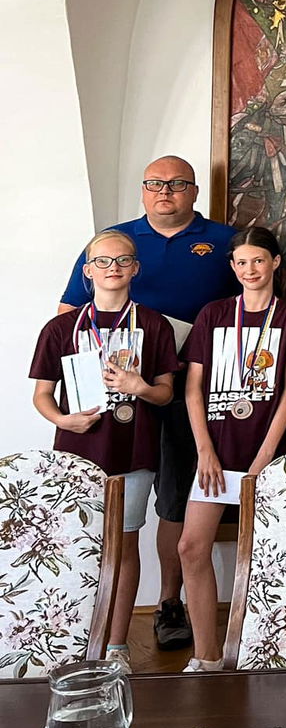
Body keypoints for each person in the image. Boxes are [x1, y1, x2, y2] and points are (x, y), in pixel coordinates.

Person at [57, 155, 236, 653]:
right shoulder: (114, 240)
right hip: (119, 394)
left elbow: (244, 308)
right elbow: (71, 312)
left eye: (177, 184)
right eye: (155, 184)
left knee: (178, 497)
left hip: (192, 390)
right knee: (119, 505)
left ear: (194, 192)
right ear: (142, 190)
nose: (165, 192)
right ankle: (90, 622)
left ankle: (169, 601)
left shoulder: (222, 241)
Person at [31, 230, 181, 668]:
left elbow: (167, 394)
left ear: (135, 268)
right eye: (102, 261)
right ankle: (73, 638)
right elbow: (43, 394)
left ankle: (116, 645)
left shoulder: (153, 324)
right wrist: (63, 420)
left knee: (124, 545)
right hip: (76, 453)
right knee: (77, 543)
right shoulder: (61, 327)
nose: (112, 268)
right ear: (87, 271)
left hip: (133, 452)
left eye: (122, 260)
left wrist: (140, 386)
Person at [177, 227, 286, 672]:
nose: (249, 270)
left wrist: (263, 459)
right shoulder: (213, 314)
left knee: (263, 555)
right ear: (232, 268)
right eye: (241, 262)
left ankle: (260, 650)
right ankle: (206, 656)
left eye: (258, 261)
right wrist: (205, 452)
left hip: (266, 452)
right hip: (215, 449)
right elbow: (193, 389)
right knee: (191, 548)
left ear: (274, 263)